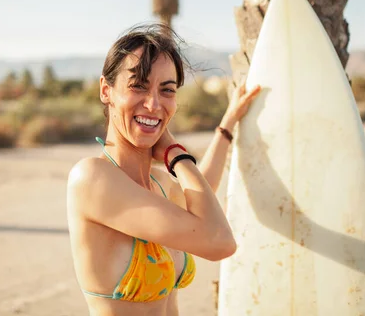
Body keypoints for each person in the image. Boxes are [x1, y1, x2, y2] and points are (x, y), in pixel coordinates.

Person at [67, 24, 261, 316]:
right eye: (138, 86)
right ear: (106, 91)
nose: (154, 104)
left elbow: (202, 188)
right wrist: (175, 154)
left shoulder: (158, 185)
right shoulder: (93, 178)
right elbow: (219, 241)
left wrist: (228, 124)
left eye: (167, 90)